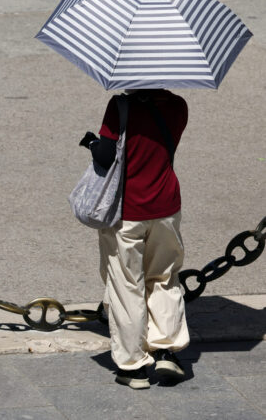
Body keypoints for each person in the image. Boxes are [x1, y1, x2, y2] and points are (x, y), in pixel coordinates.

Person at [79, 89, 189, 390]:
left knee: (126, 286)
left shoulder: (120, 106)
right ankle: (166, 350)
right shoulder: (178, 105)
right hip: (166, 206)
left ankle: (134, 366)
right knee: (164, 278)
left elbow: (106, 154)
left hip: (127, 211)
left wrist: (91, 141)